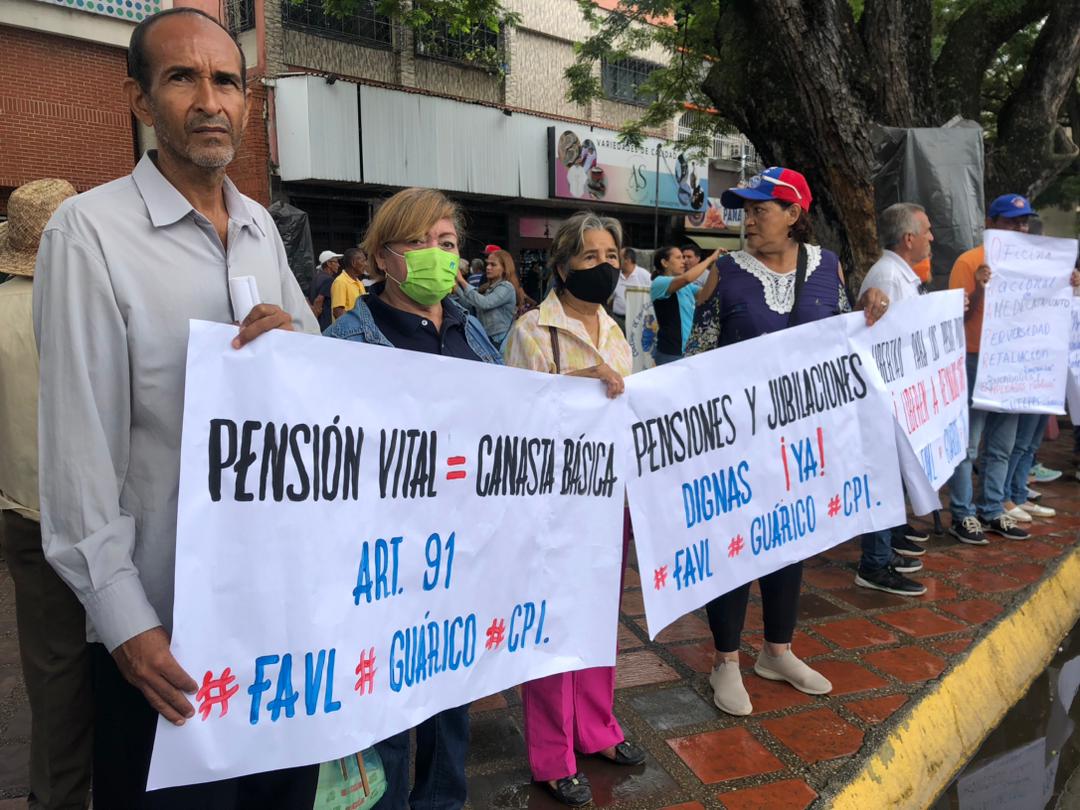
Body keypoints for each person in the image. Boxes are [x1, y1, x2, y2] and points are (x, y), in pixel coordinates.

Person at [33, 8, 321, 807]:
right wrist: (128, 628)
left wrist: (297, 343)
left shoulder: (263, 227)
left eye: (226, 80)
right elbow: (77, 457)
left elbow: (317, 390)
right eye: (181, 77)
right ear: (139, 100)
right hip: (165, 640)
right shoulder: (88, 234)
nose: (209, 100)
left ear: (247, 102)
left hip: (272, 624)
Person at [685, 166, 892, 717]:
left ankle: (777, 651)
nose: (747, 220)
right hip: (736, 445)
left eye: (760, 210)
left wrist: (872, 305)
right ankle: (725, 660)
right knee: (732, 548)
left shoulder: (828, 269)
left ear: (794, 214)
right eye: (745, 210)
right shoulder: (724, 273)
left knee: (788, 541)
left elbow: (845, 345)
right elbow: (695, 359)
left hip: (801, 447)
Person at [324, 187, 501, 810]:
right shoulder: (346, 340)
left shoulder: (472, 331)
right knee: (386, 712)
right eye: (420, 243)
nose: (437, 256)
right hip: (384, 559)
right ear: (382, 257)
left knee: (452, 696)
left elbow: (511, 425)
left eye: (447, 245)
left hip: (458, 553)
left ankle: (443, 801)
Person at [503, 211, 645, 808]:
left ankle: (596, 727)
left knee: (595, 620)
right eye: (590, 257)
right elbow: (513, 420)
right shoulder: (535, 330)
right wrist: (573, 389)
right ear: (561, 265)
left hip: (606, 503)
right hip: (550, 508)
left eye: (611, 256)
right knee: (551, 627)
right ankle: (553, 753)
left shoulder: (615, 329)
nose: (603, 267)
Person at [0, 178, 93, 810]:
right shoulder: (93, 302)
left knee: (54, 669)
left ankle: (56, 795)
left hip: (26, 511)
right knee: (133, 654)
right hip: (108, 509)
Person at [854, 203, 936, 596]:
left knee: (891, 479)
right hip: (883, 399)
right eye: (927, 231)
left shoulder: (901, 274)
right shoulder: (887, 275)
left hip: (899, 396)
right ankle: (874, 563)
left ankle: (884, 551)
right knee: (882, 481)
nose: (931, 238)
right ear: (908, 238)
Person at [946, 194, 1036, 544]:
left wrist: (1069, 286)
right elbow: (954, 319)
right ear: (992, 223)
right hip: (974, 359)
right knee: (968, 445)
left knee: (1002, 444)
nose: (1020, 227)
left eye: (1024, 221)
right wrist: (980, 291)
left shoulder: (1032, 265)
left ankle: (993, 509)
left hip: (1013, 364)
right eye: (1012, 221)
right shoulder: (969, 261)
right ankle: (963, 514)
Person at [649, 245, 720, 364]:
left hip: (690, 350)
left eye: (684, 257)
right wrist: (710, 259)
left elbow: (705, 294)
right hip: (672, 352)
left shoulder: (686, 286)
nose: (684, 261)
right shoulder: (659, 282)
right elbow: (687, 278)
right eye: (679, 258)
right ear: (665, 263)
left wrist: (716, 267)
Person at [451, 248, 518, 346]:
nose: (488, 267)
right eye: (488, 264)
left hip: (499, 340)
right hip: (487, 337)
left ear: (505, 268)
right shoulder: (488, 287)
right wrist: (455, 286)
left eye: (493, 264)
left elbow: (485, 303)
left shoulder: (506, 286)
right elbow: (469, 305)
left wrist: (461, 280)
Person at [611, 246, 651, 335]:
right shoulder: (615, 275)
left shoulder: (644, 275)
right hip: (618, 318)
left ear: (627, 260)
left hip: (637, 320)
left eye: (619, 258)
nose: (616, 260)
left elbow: (652, 296)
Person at [330, 246, 367, 321]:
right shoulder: (340, 282)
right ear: (353, 263)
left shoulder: (359, 283)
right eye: (363, 261)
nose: (366, 264)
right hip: (349, 331)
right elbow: (338, 312)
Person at [311, 250, 342, 331]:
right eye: (336, 262)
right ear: (328, 263)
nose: (338, 265)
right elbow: (318, 301)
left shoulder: (316, 277)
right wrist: (315, 320)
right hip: (325, 325)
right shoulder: (329, 280)